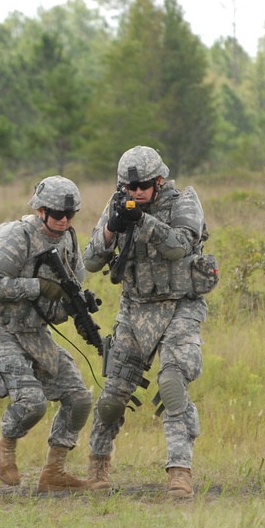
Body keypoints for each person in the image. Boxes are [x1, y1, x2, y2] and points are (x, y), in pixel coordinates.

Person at [83, 146, 212, 498]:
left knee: (172, 384)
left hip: (180, 307)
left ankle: (179, 471)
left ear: (158, 180)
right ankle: (97, 464)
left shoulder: (182, 202)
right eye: (129, 186)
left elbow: (179, 246)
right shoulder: (119, 205)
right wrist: (111, 228)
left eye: (142, 186)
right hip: (135, 309)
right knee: (113, 396)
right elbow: (91, 261)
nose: (135, 193)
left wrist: (143, 221)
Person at [0, 176, 95, 492]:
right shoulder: (15, 236)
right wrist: (38, 287)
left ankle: (54, 472)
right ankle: (5, 445)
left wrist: (72, 306)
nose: (63, 220)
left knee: (79, 398)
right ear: (40, 209)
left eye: (70, 214)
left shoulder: (69, 242)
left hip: (32, 331)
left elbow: (58, 305)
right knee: (32, 402)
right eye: (56, 213)